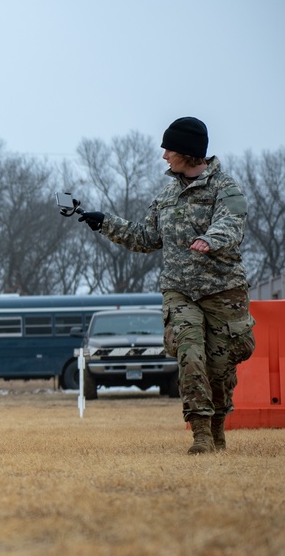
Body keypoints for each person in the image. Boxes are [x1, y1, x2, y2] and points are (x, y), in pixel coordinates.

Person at [76, 117, 256, 454]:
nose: (163, 156)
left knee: (219, 368)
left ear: (188, 153)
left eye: (168, 149)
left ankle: (218, 427)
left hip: (222, 291)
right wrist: (105, 223)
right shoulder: (168, 194)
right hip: (179, 290)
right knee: (190, 356)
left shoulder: (225, 187)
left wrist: (210, 240)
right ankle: (200, 434)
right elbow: (147, 237)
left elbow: (231, 225)